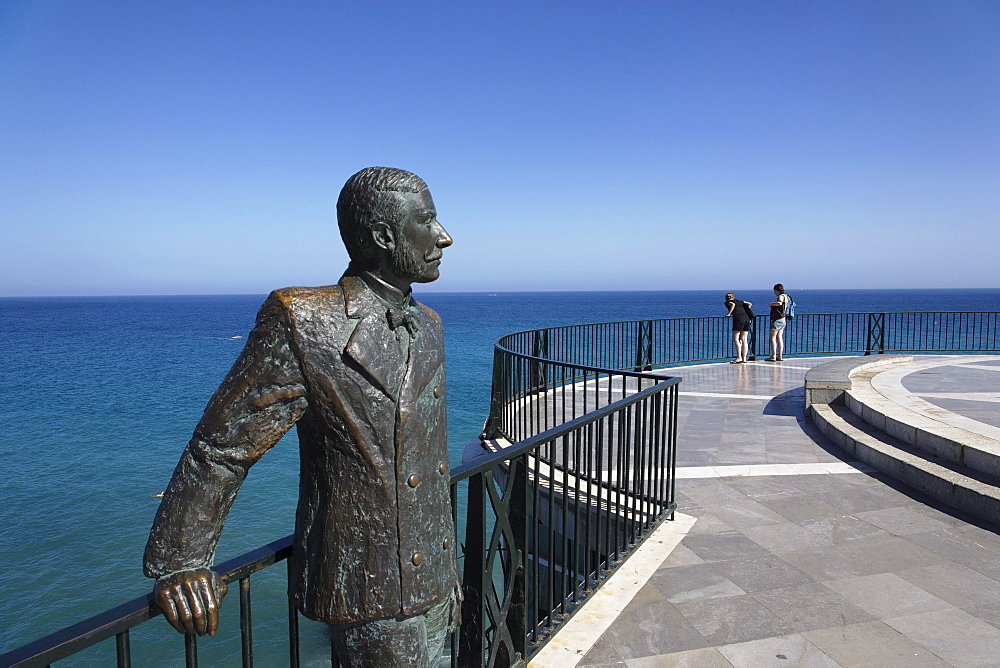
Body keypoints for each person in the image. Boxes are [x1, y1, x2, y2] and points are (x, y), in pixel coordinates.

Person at [143, 166, 460, 667]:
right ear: (382, 235)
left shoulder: (429, 324)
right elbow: (224, 446)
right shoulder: (304, 320)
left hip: (438, 576)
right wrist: (181, 562)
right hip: (370, 587)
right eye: (428, 221)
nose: (445, 236)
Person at [723, 292, 753, 363]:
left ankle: (739, 357)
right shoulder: (740, 301)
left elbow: (732, 304)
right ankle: (744, 358)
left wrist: (729, 313)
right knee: (744, 339)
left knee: (736, 339)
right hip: (747, 319)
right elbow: (749, 304)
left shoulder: (727, 302)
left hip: (739, 319)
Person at [766, 283, 790, 362]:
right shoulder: (787, 296)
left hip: (777, 319)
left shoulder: (781, 296)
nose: (774, 293)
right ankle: (780, 355)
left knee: (772, 337)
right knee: (779, 337)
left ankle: (773, 356)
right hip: (783, 319)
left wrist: (771, 304)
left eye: (775, 291)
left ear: (777, 290)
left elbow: (779, 303)